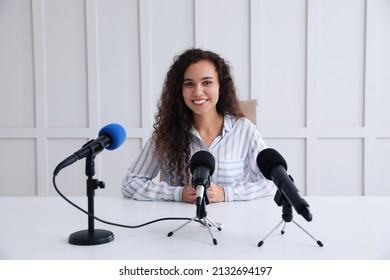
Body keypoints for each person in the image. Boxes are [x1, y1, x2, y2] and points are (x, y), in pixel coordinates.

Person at [122, 48, 275, 203]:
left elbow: (273, 183)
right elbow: (130, 183)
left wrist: (227, 194)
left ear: (220, 86)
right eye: (189, 84)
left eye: (207, 82)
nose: (198, 92)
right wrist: (177, 194)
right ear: (179, 90)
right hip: (179, 222)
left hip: (232, 222)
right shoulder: (167, 132)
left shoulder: (244, 130)